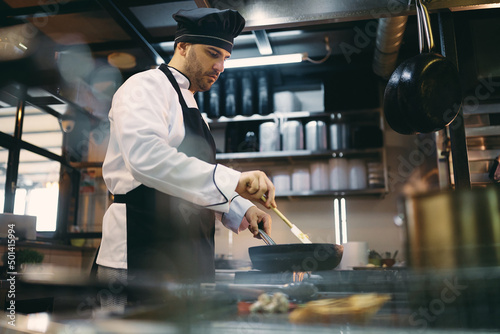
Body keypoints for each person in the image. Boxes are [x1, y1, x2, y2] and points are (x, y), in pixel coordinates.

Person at [95, 8, 276, 307]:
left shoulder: (193, 108)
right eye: (211, 53)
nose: (219, 66)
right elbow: (146, 159)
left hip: (185, 256)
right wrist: (234, 181)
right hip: (138, 252)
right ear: (182, 46)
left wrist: (239, 207)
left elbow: (190, 179)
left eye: (225, 59)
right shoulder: (144, 87)